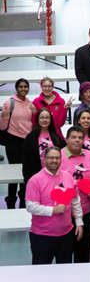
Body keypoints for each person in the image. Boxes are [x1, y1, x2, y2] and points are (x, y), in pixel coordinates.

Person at [26, 146, 84, 282]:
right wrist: (52, 210)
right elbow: (30, 206)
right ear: (44, 159)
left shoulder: (67, 177)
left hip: (66, 232)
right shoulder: (35, 180)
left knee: (64, 266)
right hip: (42, 235)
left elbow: (75, 200)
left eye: (57, 158)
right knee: (40, 269)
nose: (54, 161)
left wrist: (79, 221)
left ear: (61, 159)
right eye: (51, 158)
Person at [60, 126, 90, 282]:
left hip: (86, 210)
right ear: (66, 139)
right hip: (64, 213)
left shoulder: (89, 155)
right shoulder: (58, 157)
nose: (77, 140)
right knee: (65, 251)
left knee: (83, 249)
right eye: (74, 137)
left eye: (80, 137)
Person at [1, 78, 35, 208]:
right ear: (16, 88)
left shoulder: (30, 104)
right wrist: (3, 116)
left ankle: (23, 199)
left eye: (25, 86)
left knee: (25, 171)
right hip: (13, 140)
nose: (23, 89)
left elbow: (33, 122)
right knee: (13, 170)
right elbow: (2, 126)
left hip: (26, 141)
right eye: (21, 86)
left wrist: (35, 112)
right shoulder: (9, 103)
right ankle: (11, 200)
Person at [22, 108, 65, 185]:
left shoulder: (56, 136)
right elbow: (26, 162)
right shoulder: (30, 138)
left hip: (54, 175)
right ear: (37, 120)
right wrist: (28, 180)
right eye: (42, 118)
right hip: (37, 176)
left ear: (50, 120)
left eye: (47, 117)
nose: (44, 120)